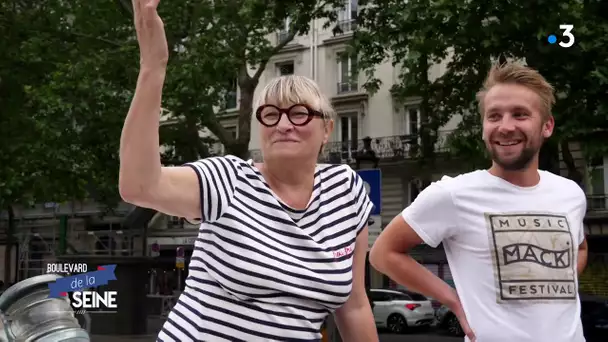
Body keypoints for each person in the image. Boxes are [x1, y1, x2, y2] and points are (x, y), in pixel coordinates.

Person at [120, 0, 378, 340]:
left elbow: (354, 305)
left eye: (299, 113)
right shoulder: (229, 180)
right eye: (271, 114)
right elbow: (140, 186)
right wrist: (153, 66)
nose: (284, 124)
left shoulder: (347, 191)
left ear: (327, 129)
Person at [369, 62, 589, 342]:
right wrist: (452, 300)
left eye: (520, 114)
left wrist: (557, 279)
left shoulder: (569, 193)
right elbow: (383, 254)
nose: (505, 127)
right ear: (484, 126)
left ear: (547, 126)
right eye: (494, 116)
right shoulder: (452, 194)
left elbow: (580, 246)